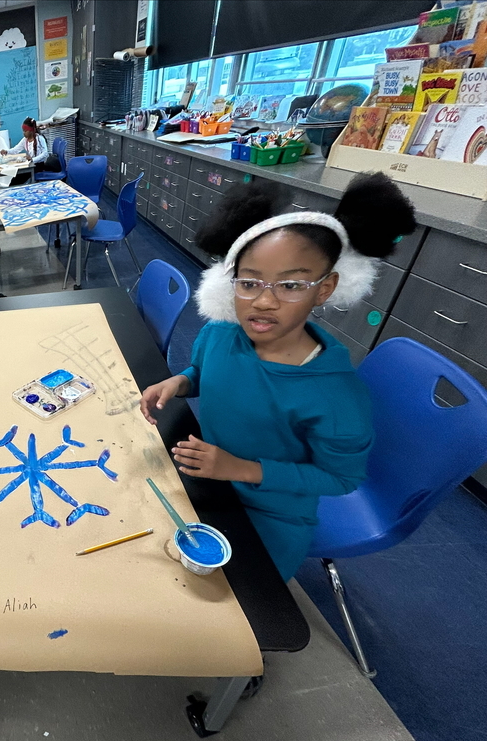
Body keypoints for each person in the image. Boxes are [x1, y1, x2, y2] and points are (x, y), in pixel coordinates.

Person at [139, 173, 416, 582]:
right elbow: (204, 372)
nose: (264, 301)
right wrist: (180, 382)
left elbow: (341, 478)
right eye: (249, 283)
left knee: (232, 610)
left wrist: (241, 468)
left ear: (325, 289)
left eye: (291, 285)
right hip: (206, 481)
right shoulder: (220, 333)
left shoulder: (334, 396)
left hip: (269, 512)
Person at [0, 117, 51, 185]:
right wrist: (7, 151)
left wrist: (33, 159)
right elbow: (16, 149)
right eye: (23, 131)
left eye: (25, 131)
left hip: (38, 166)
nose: (24, 133)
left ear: (31, 131)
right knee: (15, 179)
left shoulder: (40, 139)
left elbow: (45, 153)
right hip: (30, 165)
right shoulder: (25, 140)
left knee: (16, 181)